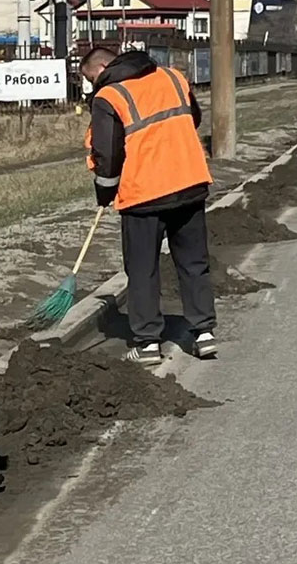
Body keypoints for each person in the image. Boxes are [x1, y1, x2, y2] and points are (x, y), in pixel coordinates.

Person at [80, 47, 218, 362]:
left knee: (142, 270)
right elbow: (193, 118)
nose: (92, 85)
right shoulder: (172, 77)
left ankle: (147, 343)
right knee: (194, 263)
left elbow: (108, 153)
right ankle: (204, 333)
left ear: (102, 67)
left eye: (90, 78)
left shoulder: (109, 96)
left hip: (144, 194)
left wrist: (104, 191)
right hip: (189, 182)